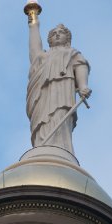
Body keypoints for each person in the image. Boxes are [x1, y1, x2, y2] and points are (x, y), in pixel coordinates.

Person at [26, 19, 91, 154]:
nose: (56, 35)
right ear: (49, 40)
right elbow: (34, 49)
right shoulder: (43, 56)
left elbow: (81, 66)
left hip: (62, 92)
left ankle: (60, 149)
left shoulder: (71, 53)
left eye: (60, 33)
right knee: (41, 123)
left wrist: (83, 85)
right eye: (53, 34)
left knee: (59, 117)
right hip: (41, 95)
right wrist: (33, 24)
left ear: (67, 39)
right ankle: (41, 148)